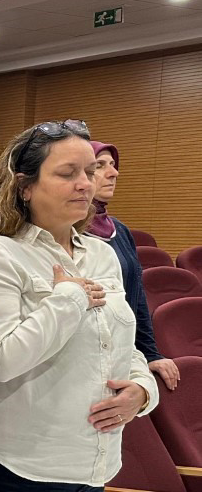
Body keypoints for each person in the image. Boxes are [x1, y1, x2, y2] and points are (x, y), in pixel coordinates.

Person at [0, 121, 158, 492]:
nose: (85, 184)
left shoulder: (102, 256)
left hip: (92, 464)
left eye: (89, 172)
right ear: (24, 186)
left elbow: (120, 344)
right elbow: (0, 362)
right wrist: (68, 299)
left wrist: (142, 392)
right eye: (67, 174)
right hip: (18, 467)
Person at [86, 140, 180, 391]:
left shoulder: (120, 230)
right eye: (100, 165)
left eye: (113, 165)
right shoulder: (64, 232)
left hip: (122, 351)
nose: (113, 173)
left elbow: (136, 299)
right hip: (86, 358)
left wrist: (151, 354)